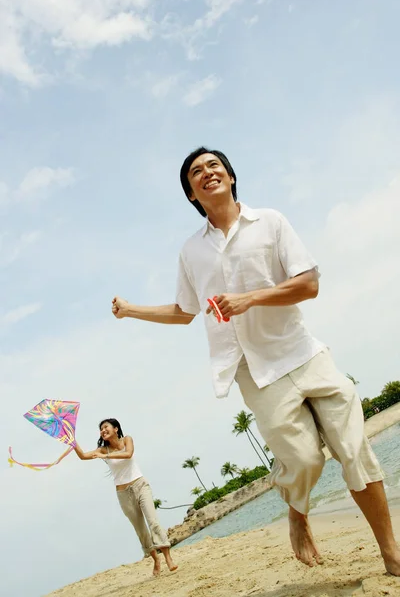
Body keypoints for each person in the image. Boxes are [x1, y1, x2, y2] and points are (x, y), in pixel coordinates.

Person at [111, 147, 400, 575]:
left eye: (214, 166)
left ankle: (391, 554)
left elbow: (309, 284)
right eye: (196, 171)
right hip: (255, 372)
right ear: (191, 193)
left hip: (303, 351)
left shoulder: (270, 222)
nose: (207, 172)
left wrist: (251, 298)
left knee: (355, 450)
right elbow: (184, 312)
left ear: (229, 176)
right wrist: (132, 309)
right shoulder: (191, 252)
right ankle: (297, 512)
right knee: (304, 460)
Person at [74, 418, 177, 576]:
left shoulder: (126, 439)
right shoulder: (102, 450)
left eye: (105, 427)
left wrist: (107, 457)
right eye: (101, 429)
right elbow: (82, 456)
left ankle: (168, 558)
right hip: (123, 493)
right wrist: (72, 442)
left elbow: (128, 454)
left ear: (116, 429)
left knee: (153, 522)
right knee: (140, 529)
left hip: (140, 485)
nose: (103, 430)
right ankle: (156, 559)